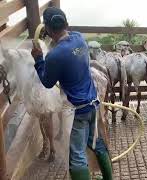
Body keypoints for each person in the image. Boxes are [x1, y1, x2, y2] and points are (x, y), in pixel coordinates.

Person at [31, 7, 112, 180]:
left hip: (77, 111)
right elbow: (68, 35)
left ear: (47, 28)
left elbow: (47, 82)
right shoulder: (80, 38)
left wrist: (38, 59)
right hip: (93, 104)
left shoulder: (54, 56)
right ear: (66, 23)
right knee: (97, 143)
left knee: (77, 157)